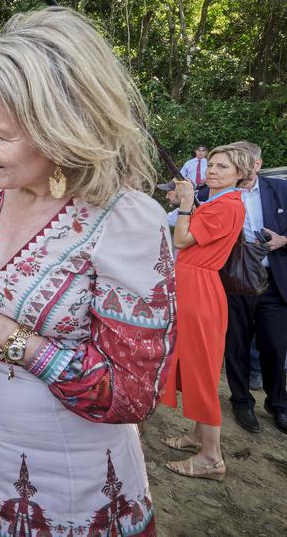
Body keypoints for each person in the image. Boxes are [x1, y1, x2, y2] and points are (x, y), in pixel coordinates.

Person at [0, 7, 175, 535]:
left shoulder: (126, 222)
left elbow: (131, 393)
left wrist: (5, 335)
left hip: (64, 478)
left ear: (64, 133)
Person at [159, 145, 250, 480]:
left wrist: (185, 206)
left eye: (223, 167)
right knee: (195, 366)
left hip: (199, 291)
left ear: (240, 174)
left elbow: (182, 240)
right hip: (192, 286)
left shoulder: (227, 205)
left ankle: (212, 457)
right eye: (211, 164)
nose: (213, 170)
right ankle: (198, 436)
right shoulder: (219, 202)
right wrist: (191, 205)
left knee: (202, 372)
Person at [218, 142, 287, 435]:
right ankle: (241, 401)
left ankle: (278, 403)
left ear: (257, 164)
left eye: (248, 161)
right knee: (236, 342)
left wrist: (283, 240)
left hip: (273, 282)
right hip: (235, 280)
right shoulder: (218, 192)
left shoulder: (280, 189)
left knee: (275, 345)